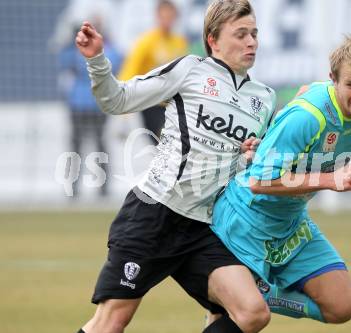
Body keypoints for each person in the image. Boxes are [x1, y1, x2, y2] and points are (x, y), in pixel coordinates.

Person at [74, 1, 277, 332]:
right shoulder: (191, 70)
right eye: (240, 34)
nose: (252, 42)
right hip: (154, 214)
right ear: (213, 39)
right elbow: (117, 100)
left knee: (252, 312)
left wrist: (253, 156)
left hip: (202, 228)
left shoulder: (265, 98)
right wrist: (97, 60)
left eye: (254, 33)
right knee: (110, 323)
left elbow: (253, 167)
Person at [211, 31, 351, 324]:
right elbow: (258, 182)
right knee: (244, 317)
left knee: (341, 306)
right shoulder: (310, 115)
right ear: (334, 78)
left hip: (289, 221)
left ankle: (264, 294)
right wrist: (330, 180)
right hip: (246, 221)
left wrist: (267, 140)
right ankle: (248, 297)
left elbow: (306, 91)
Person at [58, 19, 121, 197]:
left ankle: (103, 188)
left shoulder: (107, 48)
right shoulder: (75, 48)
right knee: (76, 146)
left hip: (98, 104)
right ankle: (72, 187)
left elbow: (115, 62)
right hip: (79, 103)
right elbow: (65, 62)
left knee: (100, 145)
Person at [118, 0, 188, 144]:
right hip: (152, 104)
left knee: (175, 147)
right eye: (163, 16)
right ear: (157, 17)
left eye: (170, 16)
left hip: (173, 104)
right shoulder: (146, 41)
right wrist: (122, 104)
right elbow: (130, 68)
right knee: (164, 144)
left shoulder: (179, 42)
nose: (167, 20)